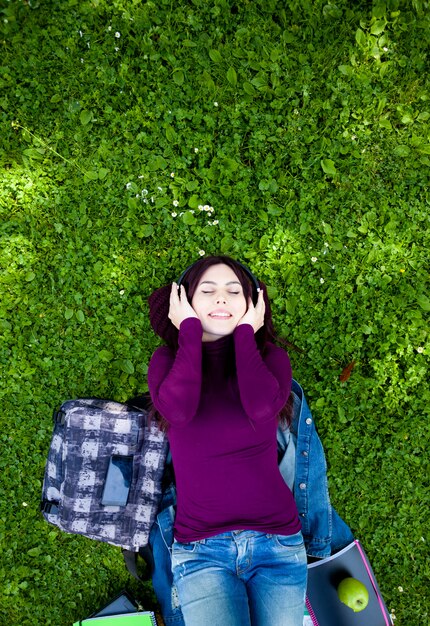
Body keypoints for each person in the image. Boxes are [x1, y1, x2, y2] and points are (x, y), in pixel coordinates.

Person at [147, 255, 307, 626]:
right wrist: (188, 329)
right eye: (208, 291)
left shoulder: (272, 359)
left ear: (253, 304)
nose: (221, 299)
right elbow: (180, 410)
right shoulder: (165, 361)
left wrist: (245, 337)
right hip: (202, 551)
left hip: (277, 546)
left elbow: (260, 405)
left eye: (234, 291)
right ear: (183, 302)